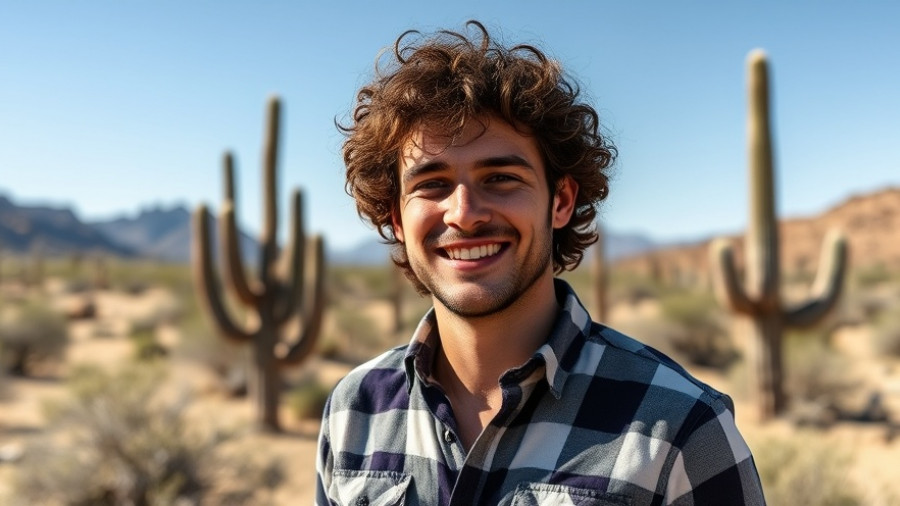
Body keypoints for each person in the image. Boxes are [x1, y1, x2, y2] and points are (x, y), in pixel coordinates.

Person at [316, 21, 766, 505]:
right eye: (432, 184)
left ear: (561, 201)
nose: (464, 214)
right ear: (397, 219)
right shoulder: (353, 412)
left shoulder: (681, 429)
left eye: (501, 177)